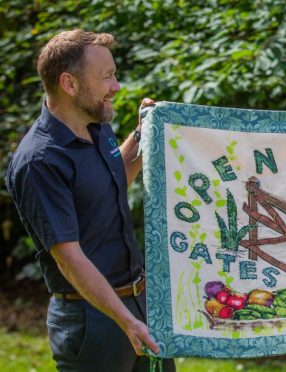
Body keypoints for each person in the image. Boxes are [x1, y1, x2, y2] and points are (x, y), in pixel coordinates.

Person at [5, 29, 175, 371]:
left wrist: (145, 133)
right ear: (69, 84)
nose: (117, 86)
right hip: (93, 321)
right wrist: (125, 321)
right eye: (107, 77)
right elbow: (69, 258)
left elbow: (111, 180)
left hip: (139, 305)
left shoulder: (95, 125)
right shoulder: (40, 160)